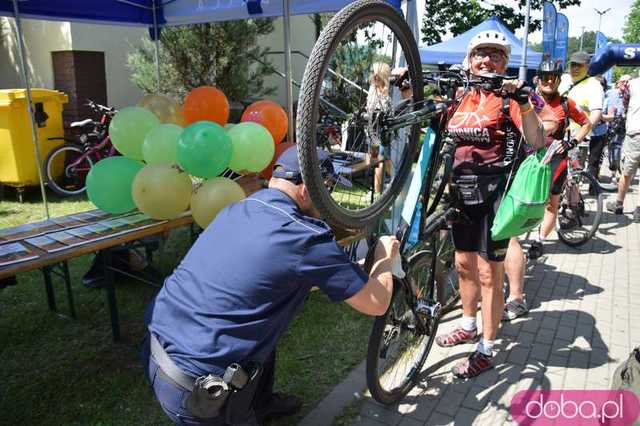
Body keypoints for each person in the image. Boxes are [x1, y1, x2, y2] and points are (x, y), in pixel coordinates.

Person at [142, 145, 399, 425]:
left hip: (157, 352)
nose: (330, 199)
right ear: (308, 189)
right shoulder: (304, 237)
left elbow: (268, 277)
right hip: (201, 393)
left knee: (265, 323)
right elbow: (376, 302)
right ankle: (242, 409)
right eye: (328, 190)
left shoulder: (237, 209)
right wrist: (385, 255)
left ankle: (261, 403)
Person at [432, 30, 550, 379]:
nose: (487, 60)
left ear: (505, 62)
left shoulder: (508, 96)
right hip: (460, 190)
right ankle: (468, 325)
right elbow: (435, 124)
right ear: (469, 60)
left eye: (495, 55)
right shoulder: (460, 95)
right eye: (480, 53)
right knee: (463, 264)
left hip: (495, 192)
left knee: (488, 272)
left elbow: (537, 138)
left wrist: (526, 101)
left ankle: (487, 348)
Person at [502, 60, 591, 321]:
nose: (549, 81)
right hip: (527, 162)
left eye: (553, 77)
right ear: (538, 78)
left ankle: (538, 239)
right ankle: (523, 242)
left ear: (558, 80)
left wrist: (572, 140)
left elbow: (586, 123)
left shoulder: (565, 104)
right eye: (545, 77)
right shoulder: (528, 97)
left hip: (554, 161)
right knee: (523, 208)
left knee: (551, 206)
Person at [558, 51, 605, 187]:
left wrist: (578, 137)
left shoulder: (594, 85)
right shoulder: (563, 80)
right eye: (573, 65)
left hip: (577, 139)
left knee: (573, 179)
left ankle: (574, 203)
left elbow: (596, 114)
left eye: (580, 65)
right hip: (556, 136)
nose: (575, 69)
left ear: (587, 67)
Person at [606, 75, 640, 221]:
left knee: (626, 172)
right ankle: (638, 211)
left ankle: (619, 204)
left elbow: (624, 104)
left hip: (635, 133)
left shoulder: (632, 84)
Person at [366, 62, 393, 195]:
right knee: (377, 159)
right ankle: (377, 190)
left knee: (382, 160)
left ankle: (378, 191)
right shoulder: (373, 88)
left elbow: (384, 109)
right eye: (373, 73)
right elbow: (370, 107)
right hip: (373, 126)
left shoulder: (384, 90)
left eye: (377, 73)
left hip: (382, 128)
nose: (374, 76)